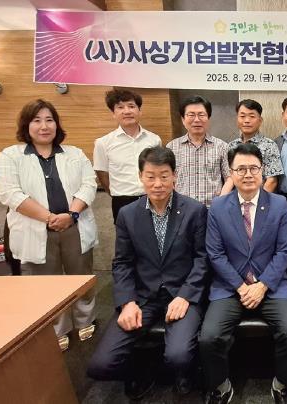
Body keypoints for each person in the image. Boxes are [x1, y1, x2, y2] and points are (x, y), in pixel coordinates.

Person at [87, 146, 209, 400]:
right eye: (150, 176)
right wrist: (127, 302)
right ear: (140, 176)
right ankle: (140, 371)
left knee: (178, 356)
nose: (158, 184)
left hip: (181, 294)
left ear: (175, 176)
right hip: (142, 296)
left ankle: (185, 372)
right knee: (101, 365)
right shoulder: (128, 214)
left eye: (164, 176)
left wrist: (185, 295)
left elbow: (202, 259)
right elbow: (122, 262)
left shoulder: (195, 211)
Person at [0, 99, 98, 352]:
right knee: (45, 283)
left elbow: (89, 184)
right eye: (37, 120)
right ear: (26, 125)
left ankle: (86, 319)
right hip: (35, 229)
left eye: (49, 120)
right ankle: (57, 328)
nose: (44, 126)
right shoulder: (11, 156)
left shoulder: (74, 153)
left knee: (81, 274)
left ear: (56, 124)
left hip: (74, 226)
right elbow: (10, 193)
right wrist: (49, 218)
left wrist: (71, 214)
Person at [200, 143, 287, 404]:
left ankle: (282, 384)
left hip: (271, 284)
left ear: (262, 170)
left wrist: (262, 285)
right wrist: (241, 287)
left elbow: (285, 250)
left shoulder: (279, 204)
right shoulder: (218, 207)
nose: (247, 174)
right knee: (209, 337)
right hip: (230, 286)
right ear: (231, 173)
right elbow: (215, 254)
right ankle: (220, 386)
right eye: (241, 169)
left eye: (253, 168)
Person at [93, 89, 161, 223]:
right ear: (113, 113)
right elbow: (102, 173)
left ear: (139, 111)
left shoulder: (154, 140)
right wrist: (116, 193)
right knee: (126, 236)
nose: (127, 111)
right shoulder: (103, 143)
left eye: (131, 106)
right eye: (120, 107)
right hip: (122, 201)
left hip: (152, 197)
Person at [167, 95, 233, 207]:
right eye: (191, 115)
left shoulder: (222, 146)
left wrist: (220, 202)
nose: (197, 120)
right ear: (183, 119)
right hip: (182, 209)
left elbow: (230, 178)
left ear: (208, 118)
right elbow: (168, 178)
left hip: (212, 208)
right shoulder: (171, 147)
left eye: (201, 115)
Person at [229, 99, 284, 192]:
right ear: (237, 119)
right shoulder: (231, 146)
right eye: (242, 116)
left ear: (260, 120)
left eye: (252, 116)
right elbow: (229, 178)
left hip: (261, 198)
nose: (247, 120)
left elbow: (271, 181)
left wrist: (258, 199)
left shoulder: (269, 145)